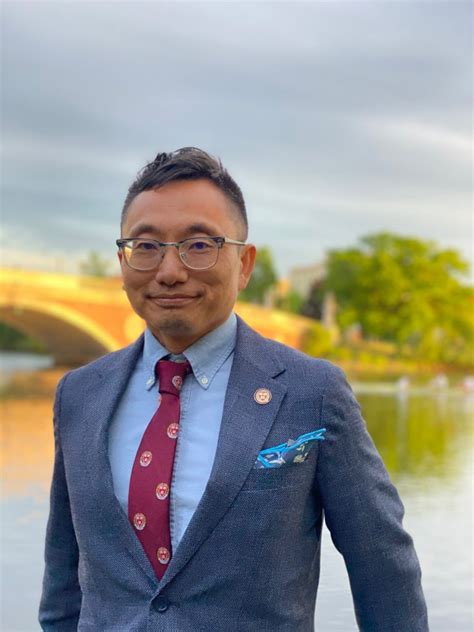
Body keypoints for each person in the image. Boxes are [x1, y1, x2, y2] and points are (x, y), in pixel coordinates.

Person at [39, 147, 429, 631]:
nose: (169, 271)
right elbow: (62, 585)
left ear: (244, 264)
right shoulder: (79, 395)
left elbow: (383, 568)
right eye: (146, 246)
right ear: (123, 262)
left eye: (199, 244)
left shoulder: (311, 393)